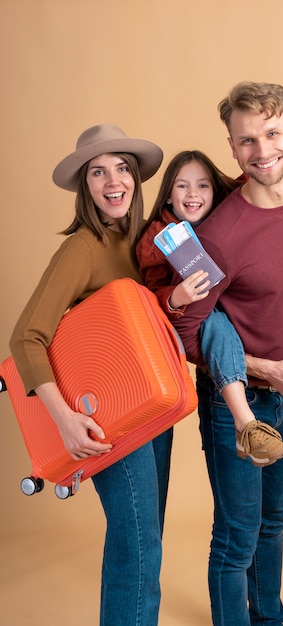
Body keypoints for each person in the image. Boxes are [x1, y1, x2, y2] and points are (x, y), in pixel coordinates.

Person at [172, 80, 283, 626]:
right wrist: (265, 367)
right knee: (237, 537)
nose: (263, 151)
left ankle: (269, 618)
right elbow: (190, 333)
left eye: (271, 133)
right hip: (234, 407)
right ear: (232, 149)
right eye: (246, 141)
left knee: (273, 523)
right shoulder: (216, 238)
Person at [9, 124, 170, 626]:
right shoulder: (81, 247)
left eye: (122, 168)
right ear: (86, 188)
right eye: (97, 172)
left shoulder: (145, 244)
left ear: (136, 180)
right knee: (138, 546)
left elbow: (214, 190)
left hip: (154, 409)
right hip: (107, 422)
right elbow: (25, 338)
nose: (112, 180)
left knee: (141, 542)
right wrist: (64, 419)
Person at [137, 151, 283, 467]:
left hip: (241, 305)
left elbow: (261, 174)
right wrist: (175, 296)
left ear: (215, 190)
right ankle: (244, 423)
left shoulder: (226, 212)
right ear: (167, 195)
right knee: (218, 326)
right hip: (209, 321)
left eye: (203, 186)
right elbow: (151, 298)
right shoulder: (156, 238)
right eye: (182, 187)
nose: (193, 195)